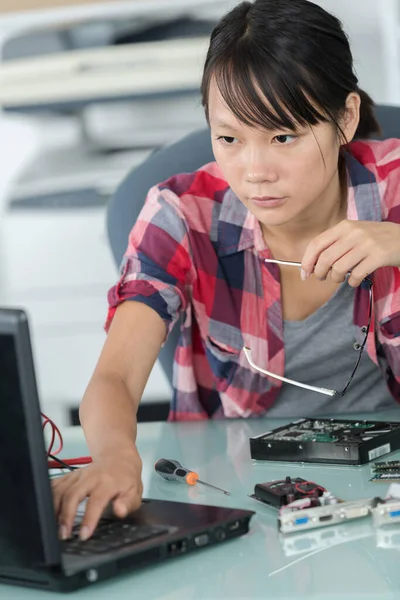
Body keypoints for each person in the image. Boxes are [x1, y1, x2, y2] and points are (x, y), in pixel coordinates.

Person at [52, 0, 400, 542]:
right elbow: (116, 375)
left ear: (346, 118)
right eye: (230, 139)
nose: (255, 171)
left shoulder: (395, 185)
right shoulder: (183, 214)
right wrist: (117, 456)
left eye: (283, 137)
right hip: (240, 494)